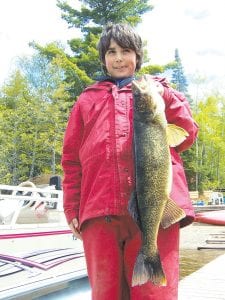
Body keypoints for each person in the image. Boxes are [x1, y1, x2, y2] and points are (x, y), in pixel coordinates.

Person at [61, 23, 198, 300]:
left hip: (157, 211)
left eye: (126, 51)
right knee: (106, 292)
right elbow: (71, 161)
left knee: (154, 293)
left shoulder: (159, 94)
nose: (119, 58)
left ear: (138, 56)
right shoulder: (87, 100)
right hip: (100, 211)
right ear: (103, 59)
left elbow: (186, 137)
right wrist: (71, 207)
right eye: (111, 52)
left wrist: (167, 96)